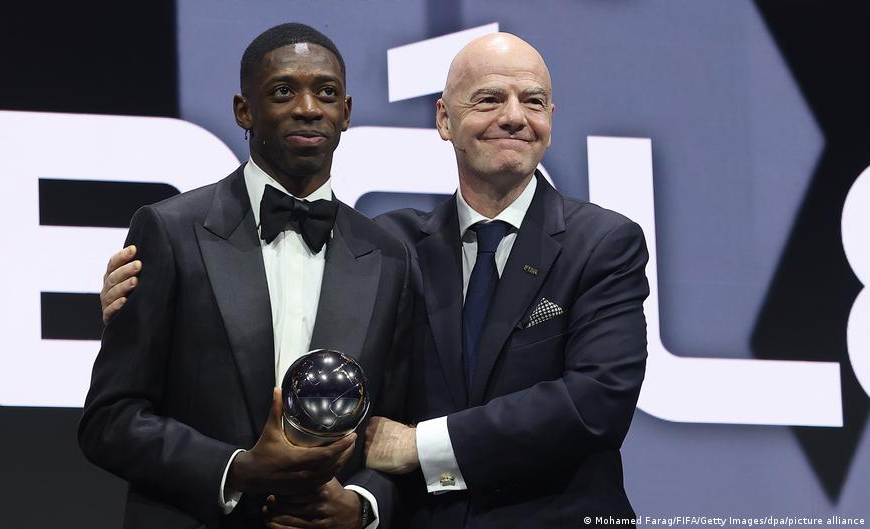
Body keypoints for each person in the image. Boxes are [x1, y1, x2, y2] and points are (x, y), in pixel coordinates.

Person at [102, 32, 649, 529]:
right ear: (444, 120)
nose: (513, 117)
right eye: (488, 99)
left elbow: (596, 400)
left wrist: (389, 476)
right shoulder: (391, 246)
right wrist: (143, 301)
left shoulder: (603, 243)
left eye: (532, 101)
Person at [79, 23, 411, 529]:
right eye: (283, 91)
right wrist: (236, 470)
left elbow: (401, 424)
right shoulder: (170, 231)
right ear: (244, 110)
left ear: (346, 113)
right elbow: (111, 418)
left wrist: (362, 505)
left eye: (326, 93)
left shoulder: (388, 257)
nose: (308, 108)